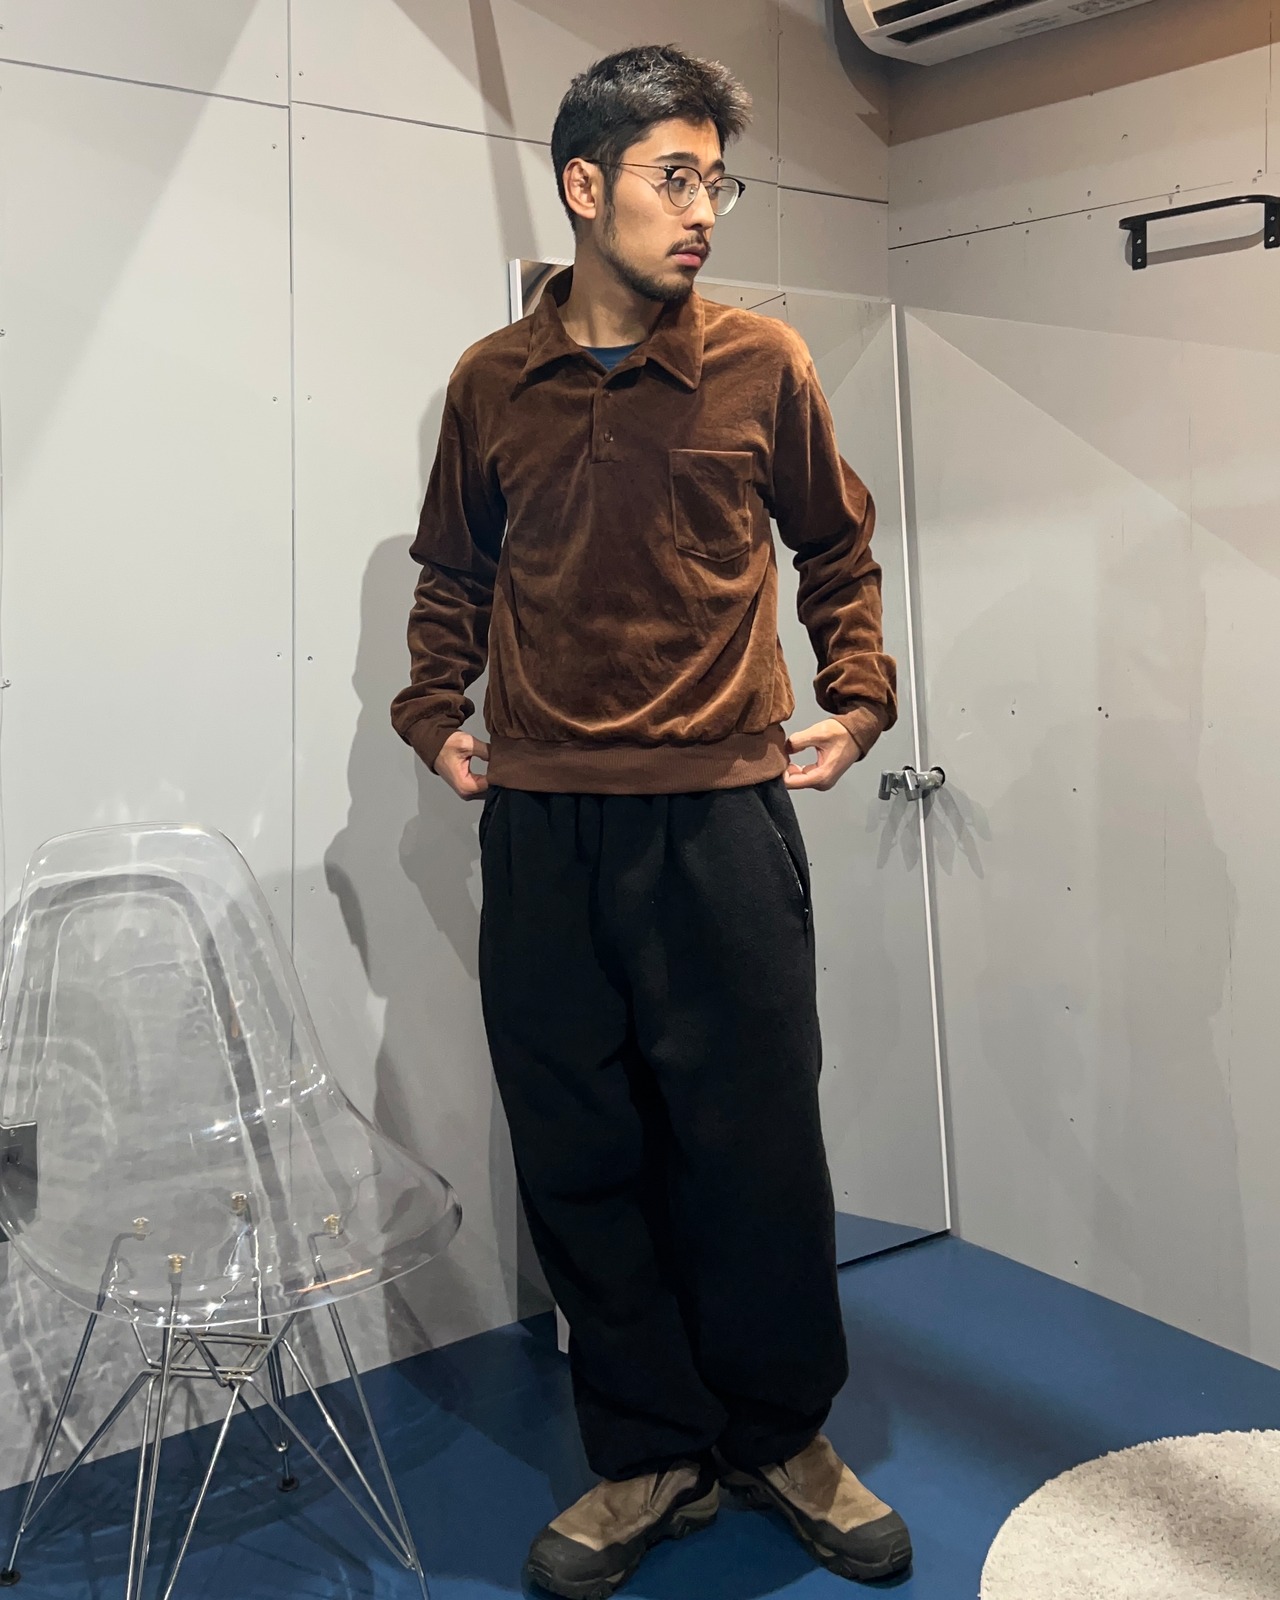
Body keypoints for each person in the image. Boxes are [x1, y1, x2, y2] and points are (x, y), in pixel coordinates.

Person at [392, 42, 910, 1600]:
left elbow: (838, 551)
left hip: (722, 823)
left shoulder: (763, 364)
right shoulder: (490, 382)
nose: (701, 212)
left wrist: (860, 699)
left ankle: (783, 1437)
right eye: (674, 178)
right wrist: (433, 712)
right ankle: (647, 1453)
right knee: (581, 1152)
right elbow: (450, 573)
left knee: (756, 1153)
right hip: (546, 830)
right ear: (583, 184)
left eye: (715, 183)